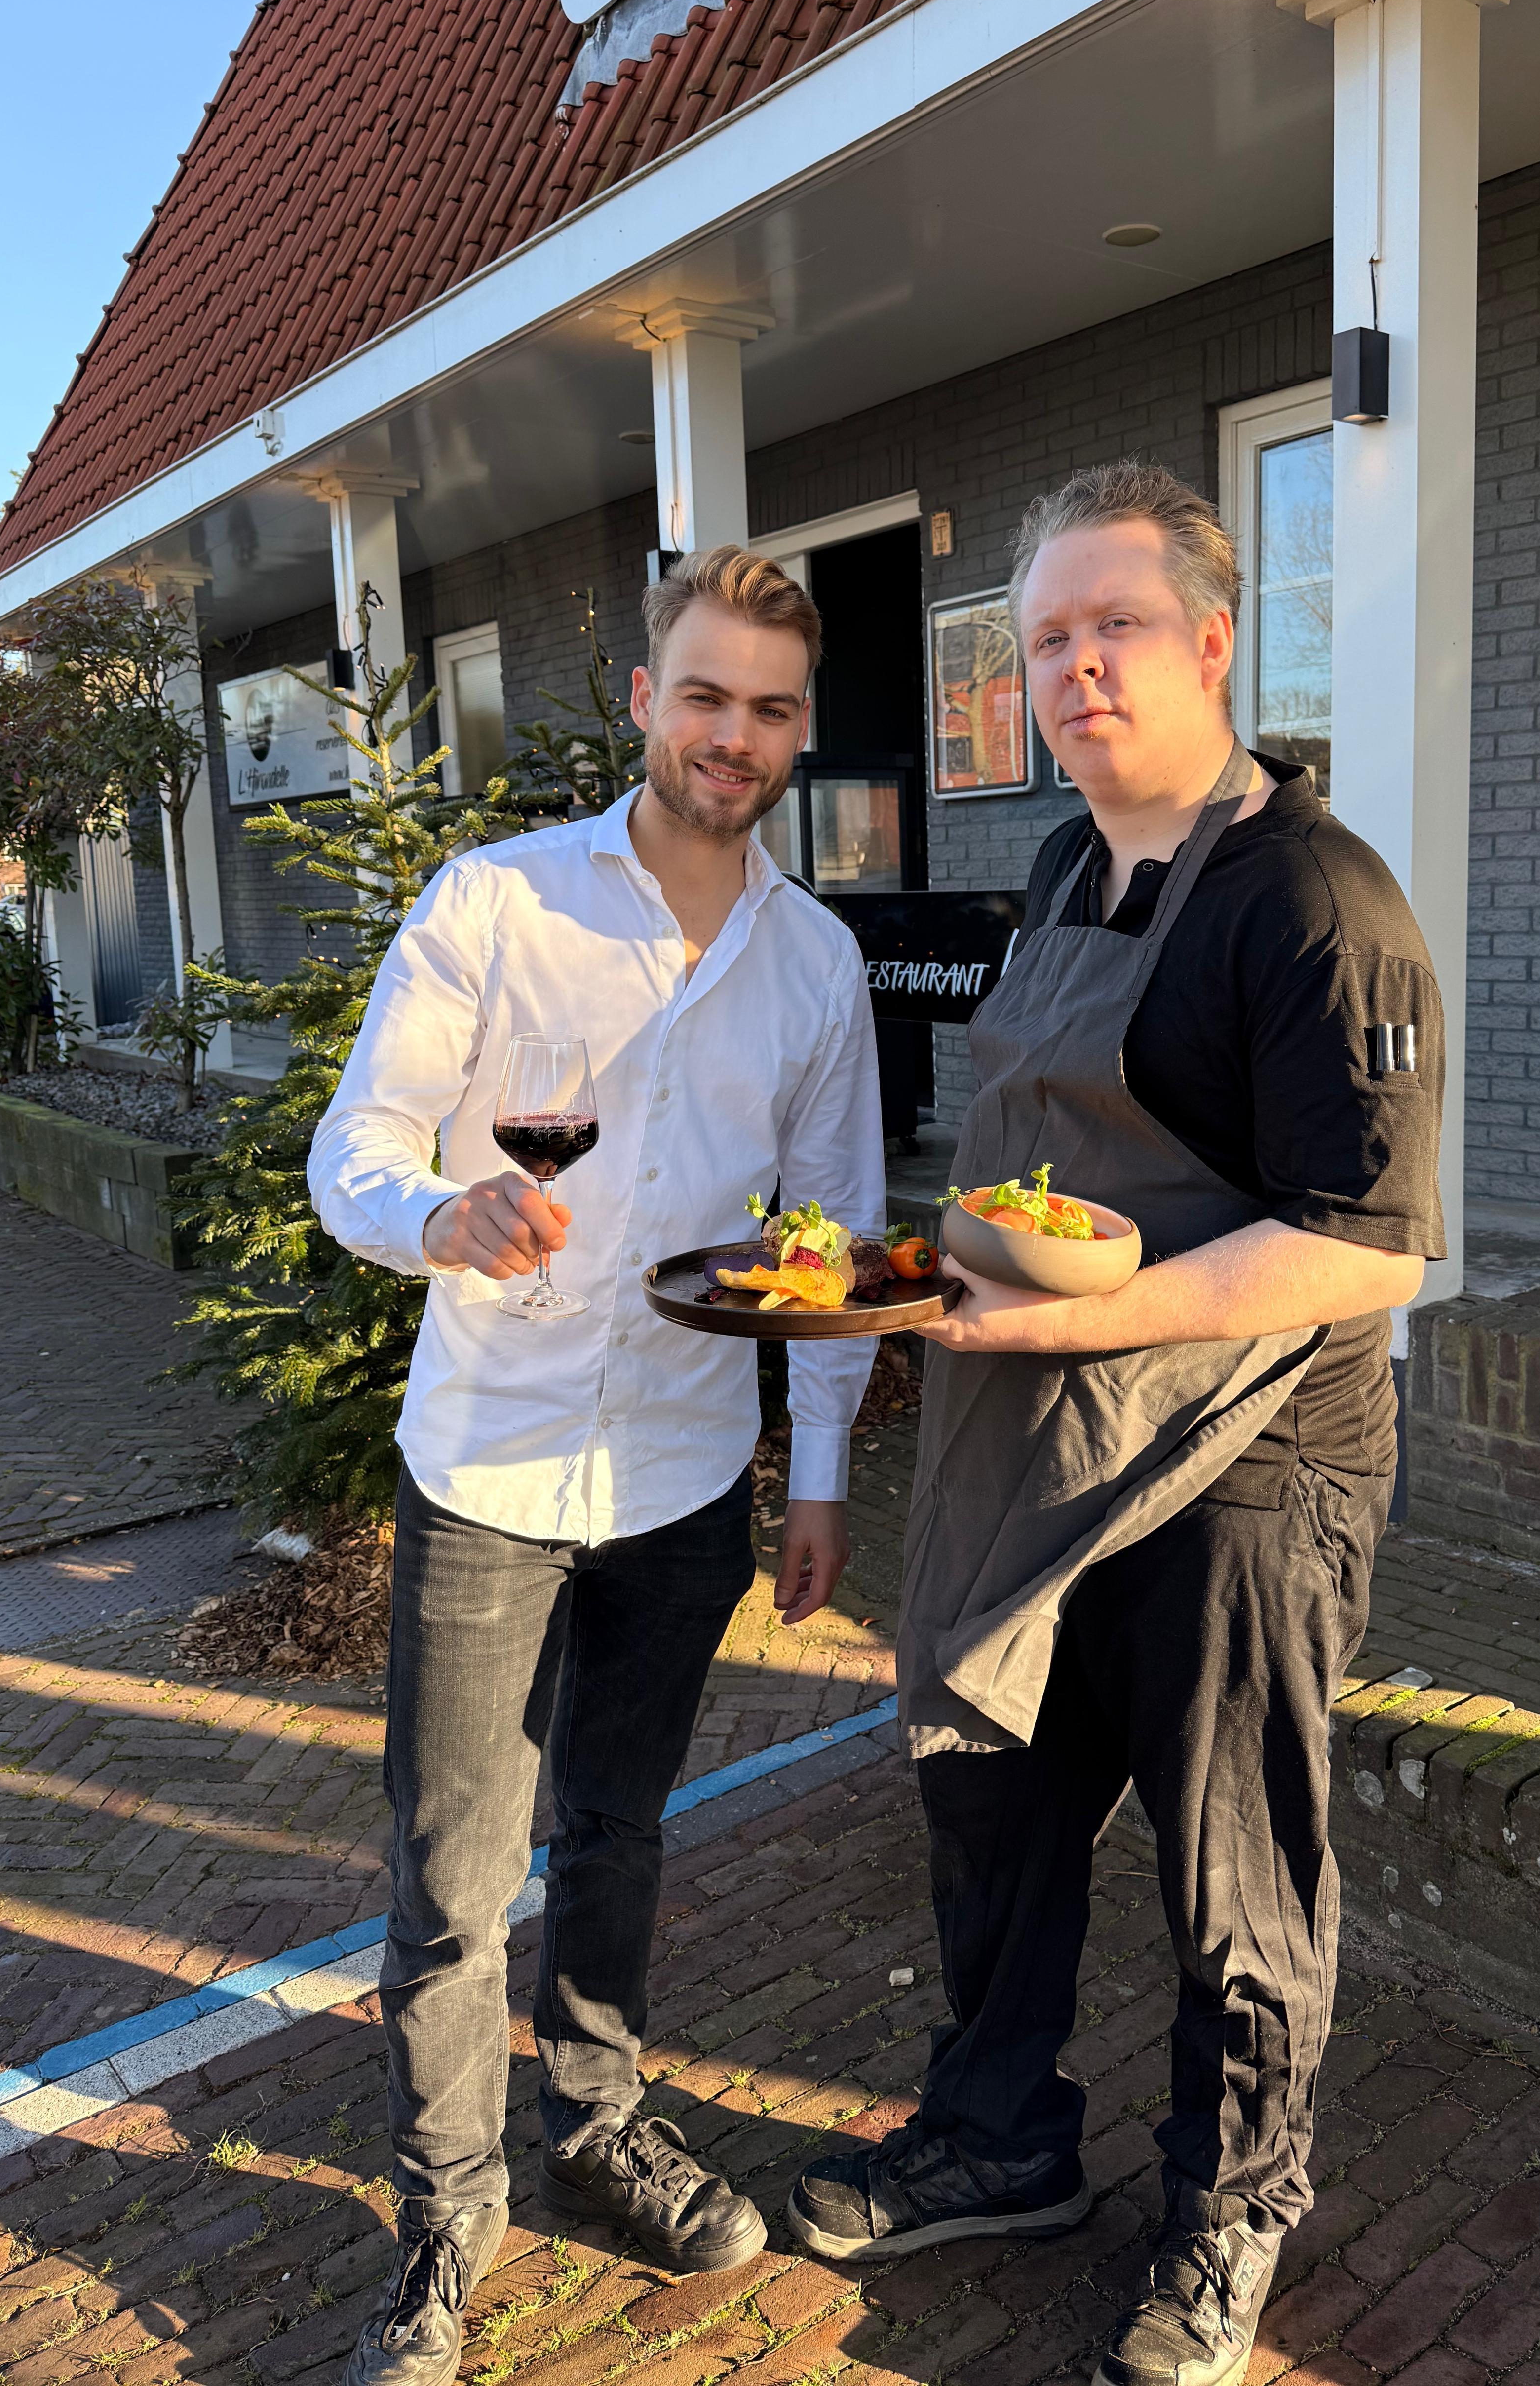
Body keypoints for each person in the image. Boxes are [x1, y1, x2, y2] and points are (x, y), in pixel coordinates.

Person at [787, 462, 1444, 2386]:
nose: (1076, 666)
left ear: (1214, 640)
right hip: (1057, 1430)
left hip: (1252, 1457)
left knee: (1231, 1868)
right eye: (1047, 635)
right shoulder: (1074, 864)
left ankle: (1231, 2204)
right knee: (992, 1779)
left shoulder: (1321, 903)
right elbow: (1044, 1165)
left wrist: (1077, 1318)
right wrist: (919, 1275)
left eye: (1117, 624)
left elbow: (1370, 1249)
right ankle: (998, 2131)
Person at [309, 547, 884, 2386]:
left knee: (620, 1833)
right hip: (490, 1461)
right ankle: (444, 2209)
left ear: (800, 732)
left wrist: (818, 1477)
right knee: (454, 1873)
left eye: (772, 708)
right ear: (647, 700)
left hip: (692, 1477)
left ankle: (597, 2123)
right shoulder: (497, 904)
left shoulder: (815, 964)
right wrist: (438, 1212)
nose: (735, 735)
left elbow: (838, 1241)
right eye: (705, 695)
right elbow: (356, 1148)